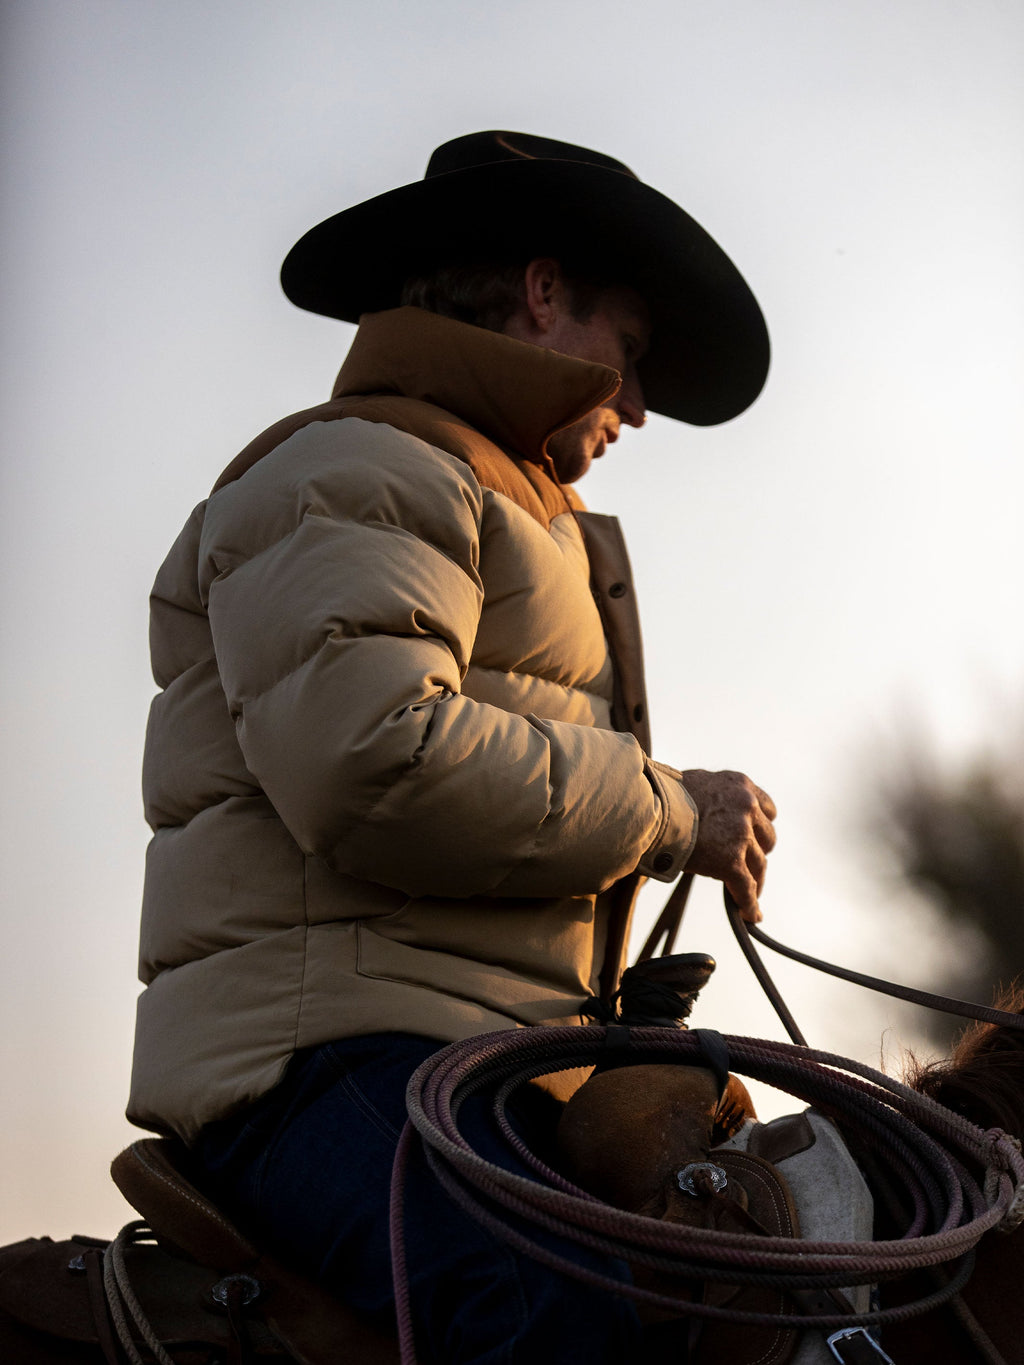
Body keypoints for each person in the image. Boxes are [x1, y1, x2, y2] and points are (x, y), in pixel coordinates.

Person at [127, 131, 777, 1362]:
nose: (637, 404)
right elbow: (371, 761)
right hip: (323, 1064)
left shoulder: (486, 499)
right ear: (543, 293)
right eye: (629, 356)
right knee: (549, 1312)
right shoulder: (361, 467)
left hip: (466, 1058)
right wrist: (667, 812)